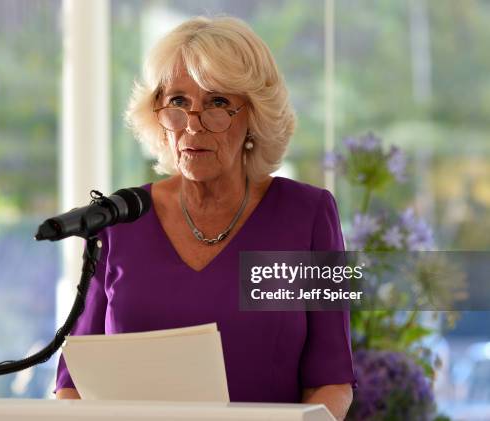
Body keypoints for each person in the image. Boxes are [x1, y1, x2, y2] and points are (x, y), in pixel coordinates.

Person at [55, 16, 355, 420]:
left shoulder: (311, 214)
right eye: (177, 102)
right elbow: (71, 383)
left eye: (217, 103)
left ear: (254, 116)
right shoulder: (119, 218)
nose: (193, 125)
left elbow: (332, 381)